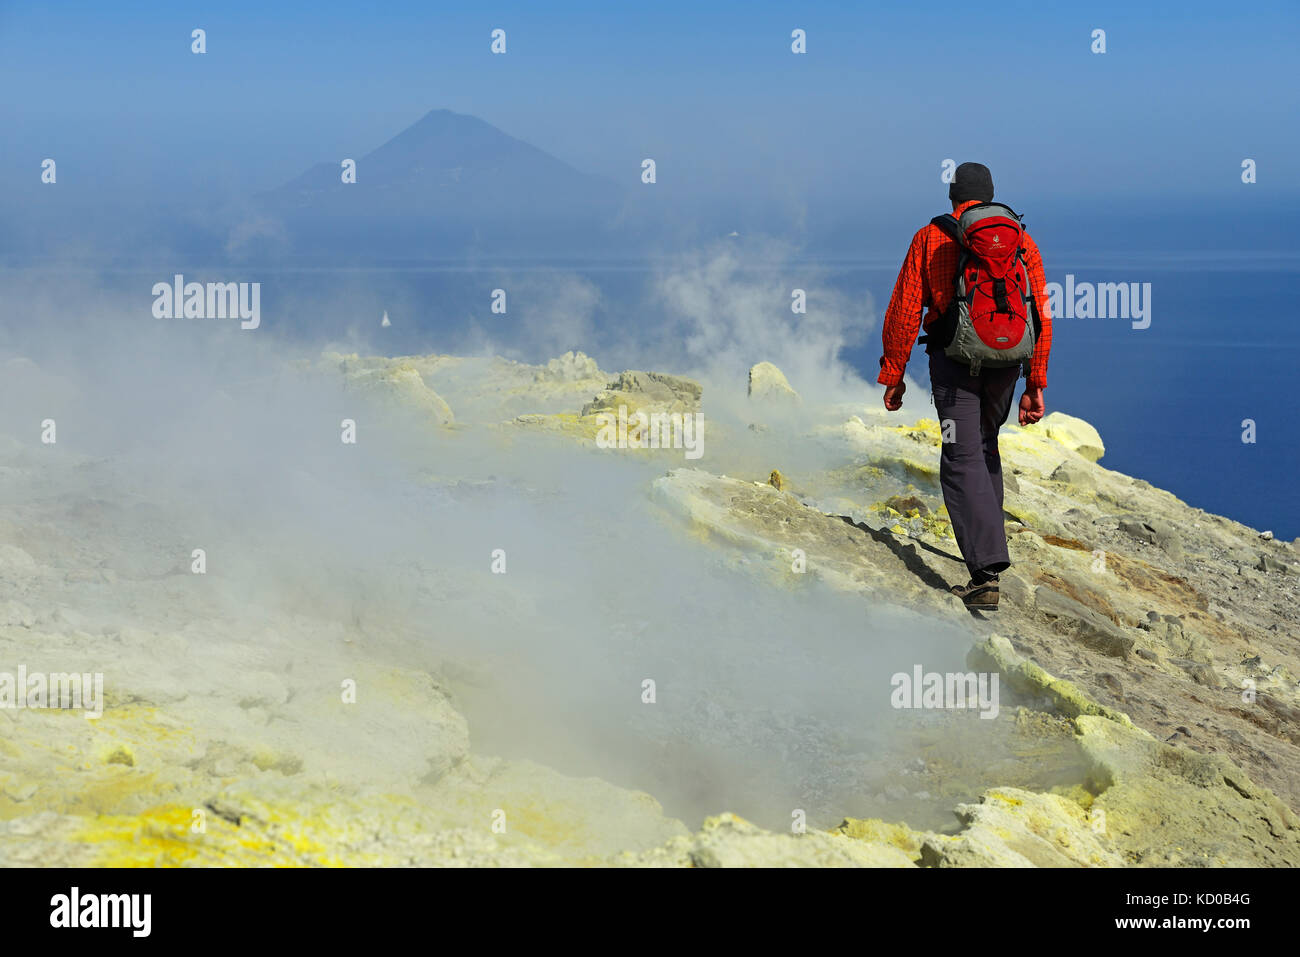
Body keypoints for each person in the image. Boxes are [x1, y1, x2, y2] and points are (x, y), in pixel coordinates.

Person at [876, 162, 1052, 611]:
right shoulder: (1021, 240)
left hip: (954, 363)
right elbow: (1039, 316)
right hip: (1007, 363)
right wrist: (1036, 382)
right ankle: (990, 554)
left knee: (961, 456)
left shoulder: (930, 238)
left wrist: (893, 375)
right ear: (992, 195)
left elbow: (904, 310)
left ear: (953, 198)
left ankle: (985, 574)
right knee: (985, 446)